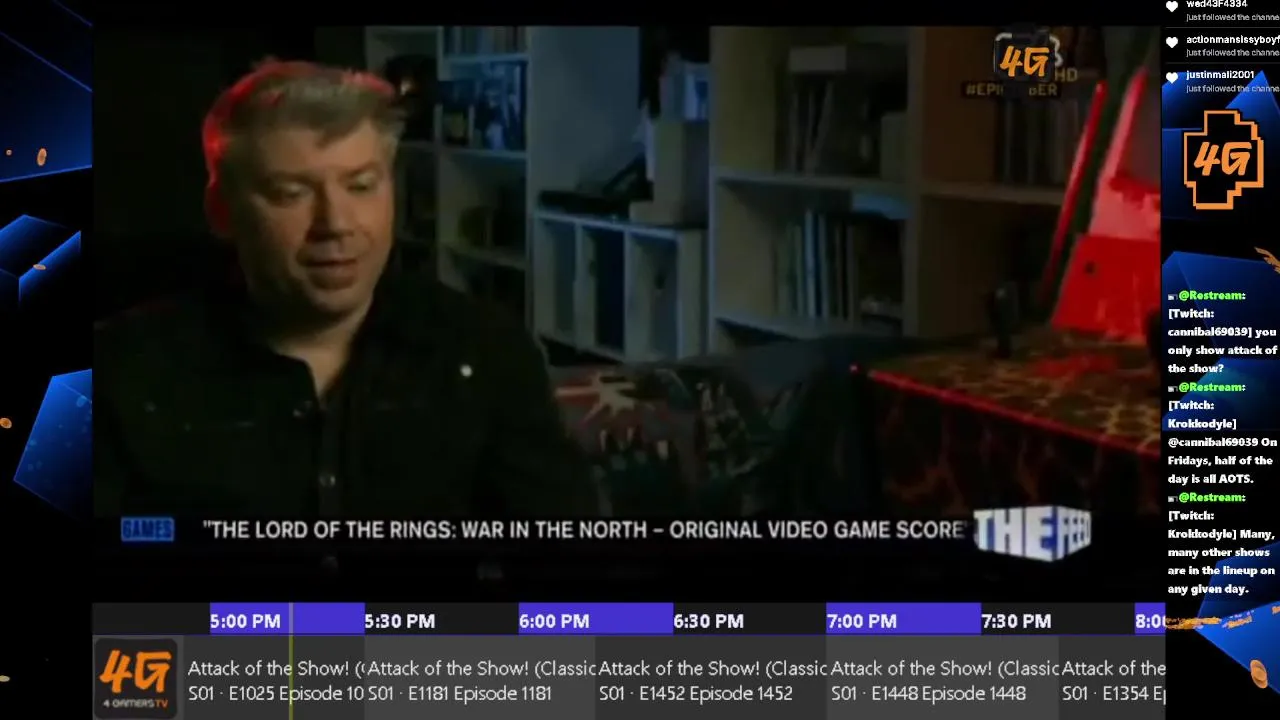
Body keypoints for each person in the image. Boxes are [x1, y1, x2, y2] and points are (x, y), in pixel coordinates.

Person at [94, 60, 600, 518]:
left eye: (360, 186)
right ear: (222, 212)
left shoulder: (484, 349)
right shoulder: (121, 371)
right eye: (290, 193)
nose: (336, 224)